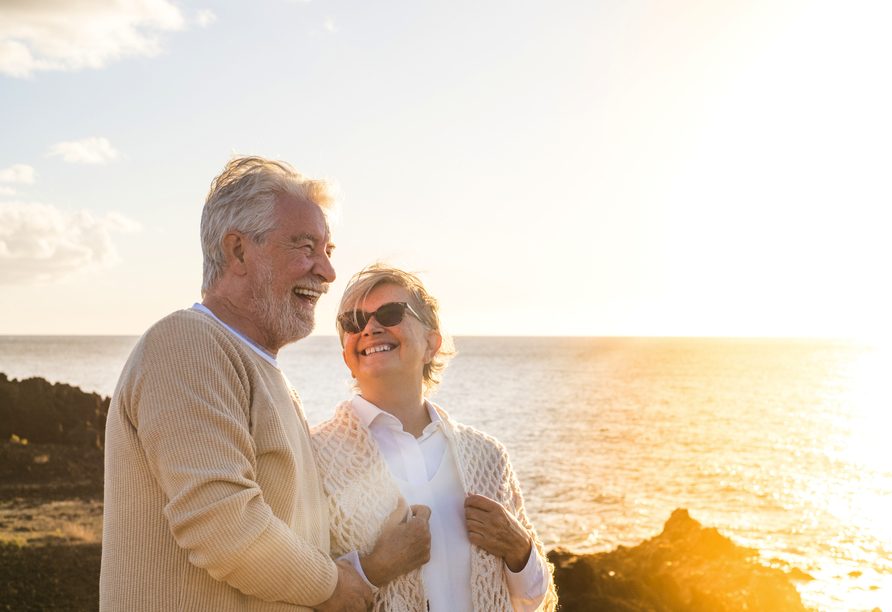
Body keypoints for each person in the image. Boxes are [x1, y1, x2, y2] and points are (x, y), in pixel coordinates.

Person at [101, 156, 391, 611]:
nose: (327, 271)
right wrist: (334, 586)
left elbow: (296, 536)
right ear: (237, 251)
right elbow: (222, 524)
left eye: (328, 251)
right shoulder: (187, 343)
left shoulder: (263, 371)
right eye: (305, 246)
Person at [312, 263, 558, 612]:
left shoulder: (487, 456)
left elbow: (533, 601)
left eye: (390, 312)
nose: (369, 328)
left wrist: (520, 550)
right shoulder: (313, 455)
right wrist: (374, 568)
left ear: (431, 343)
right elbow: (295, 594)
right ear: (347, 356)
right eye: (353, 322)